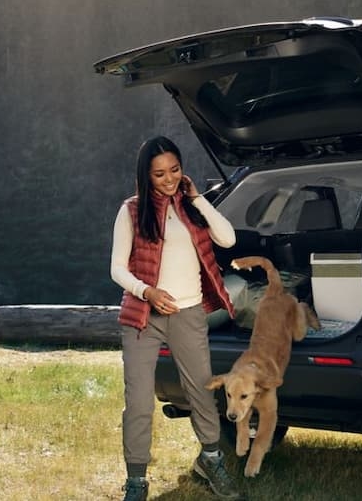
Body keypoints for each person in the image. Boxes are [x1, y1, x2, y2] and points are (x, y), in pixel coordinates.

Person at [110, 136, 241, 500]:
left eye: (174, 170)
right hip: (143, 317)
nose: (168, 180)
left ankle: (211, 461)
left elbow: (228, 239)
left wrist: (197, 196)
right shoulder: (132, 210)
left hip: (189, 313)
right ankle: (136, 480)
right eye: (159, 174)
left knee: (201, 390)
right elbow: (117, 269)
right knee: (138, 400)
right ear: (146, 176)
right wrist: (147, 292)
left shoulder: (192, 207)